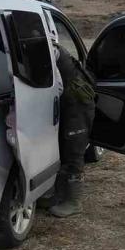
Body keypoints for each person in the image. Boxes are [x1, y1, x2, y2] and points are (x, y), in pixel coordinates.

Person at [47, 42, 97, 218]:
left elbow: (56, 87)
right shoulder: (51, 47)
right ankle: (58, 195)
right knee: (62, 149)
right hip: (69, 103)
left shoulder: (51, 51)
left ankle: (74, 202)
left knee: (73, 152)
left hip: (78, 106)